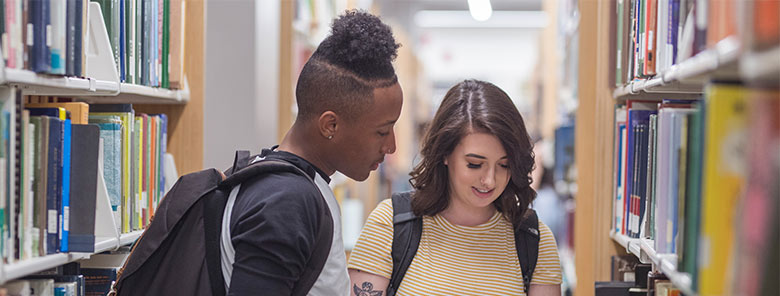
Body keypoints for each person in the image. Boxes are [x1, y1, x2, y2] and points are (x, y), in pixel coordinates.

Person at [223, 10, 402, 295]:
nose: (391, 146)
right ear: (330, 124)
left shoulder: (287, 182)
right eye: (382, 131)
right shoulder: (287, 202)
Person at [347, 80, 562, 295]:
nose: (490, 180)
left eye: (504, 165)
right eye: (475, 164)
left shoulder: (534, 240)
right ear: (445, 154)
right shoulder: (389, 224)